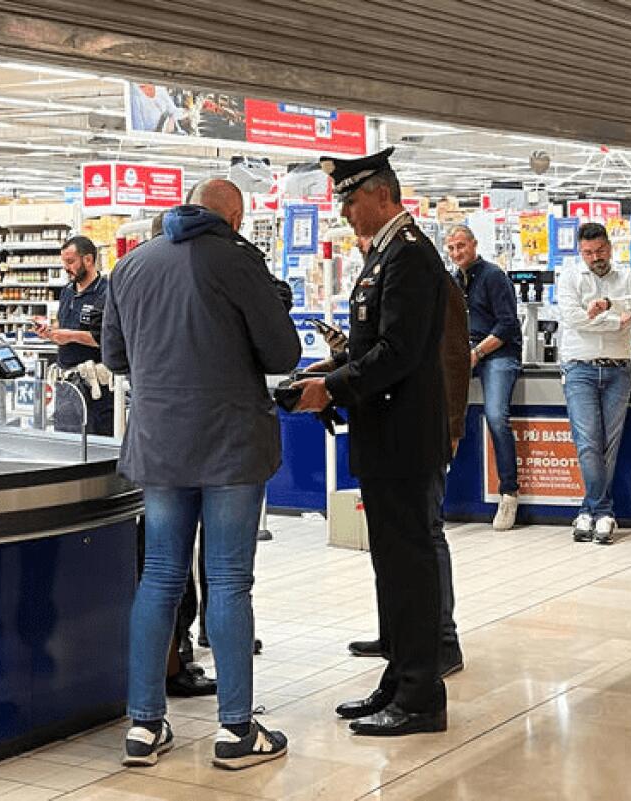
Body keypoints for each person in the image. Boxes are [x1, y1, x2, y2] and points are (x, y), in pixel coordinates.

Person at [102, 178, 299, 770]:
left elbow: (114, 357)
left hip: (160, 444)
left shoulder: (131, 265)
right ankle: (236, 730)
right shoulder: (238, 261)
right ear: (234, 217)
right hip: (230, 444)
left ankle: (144, 726)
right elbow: (283, 354)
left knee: (160, 577)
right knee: (229, 580)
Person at [295, 147, 451, 736]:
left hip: (404, 437)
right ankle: (399, 678)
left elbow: (399, 352)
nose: (345, 212)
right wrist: (331, 369)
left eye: (351, 199)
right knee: (391, 564)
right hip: (385, 433)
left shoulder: (409, 255)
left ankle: (421, 696)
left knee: (409, 566)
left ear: (382, 194)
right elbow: (375, 344)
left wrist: (333, 388)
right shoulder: (385, 254)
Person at [340, 236, 471, 678]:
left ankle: (442, 640)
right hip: (392, 429)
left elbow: (454, 357)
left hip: (425, 429)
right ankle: (397, 633)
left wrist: (452, 424)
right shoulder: (383, 276)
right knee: (393, 540)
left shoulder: (426, 276)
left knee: (426, 533)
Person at [557, 222, 631, 545]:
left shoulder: (627, 277)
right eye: (588, 252)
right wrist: (616, 322)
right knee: (588, 442)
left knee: (608, 444)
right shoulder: (570, 278)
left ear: (609, 248)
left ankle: (590, 513)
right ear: (580, 252)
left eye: (599, 250)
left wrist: (611, 304)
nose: (595, 257)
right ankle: (603, 511)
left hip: (618, 370)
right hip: (579, 369)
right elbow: (573, 318)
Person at [445, 224, 522, 530]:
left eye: (461, 246)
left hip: (498, 353)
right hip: (466, 353)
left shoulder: (493, 276)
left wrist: (475, 353)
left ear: (474, 244)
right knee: (442, 414)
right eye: (451, 248)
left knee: (496, 416)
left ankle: (509, 492)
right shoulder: (452, 282)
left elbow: (507, 325)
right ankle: (436, 488)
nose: (456, 253)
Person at [34, 236, 113, 436]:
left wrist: (70, 336)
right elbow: (63, 326)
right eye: (64, 262)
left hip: (95, 388)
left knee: (96, 443)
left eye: (70, 262)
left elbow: (106, 338)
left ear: (88, 260)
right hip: (66, 385)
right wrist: (49, 331)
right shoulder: (67, 291)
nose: (66, 268)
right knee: (66, 442)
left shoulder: (107, 293)